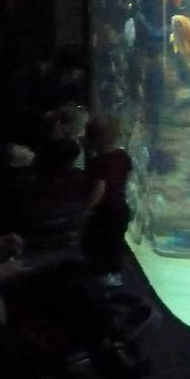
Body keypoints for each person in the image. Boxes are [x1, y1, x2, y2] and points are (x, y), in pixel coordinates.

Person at [79, 115, 132, 285]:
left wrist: (87, 209)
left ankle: (101, 274)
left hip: (104, 211)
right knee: (115, 241)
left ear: (92, 140)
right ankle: (114, 274)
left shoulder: (98, 162)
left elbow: (100, 188)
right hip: (121, 208)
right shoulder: (123, 156)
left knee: (94, 240)